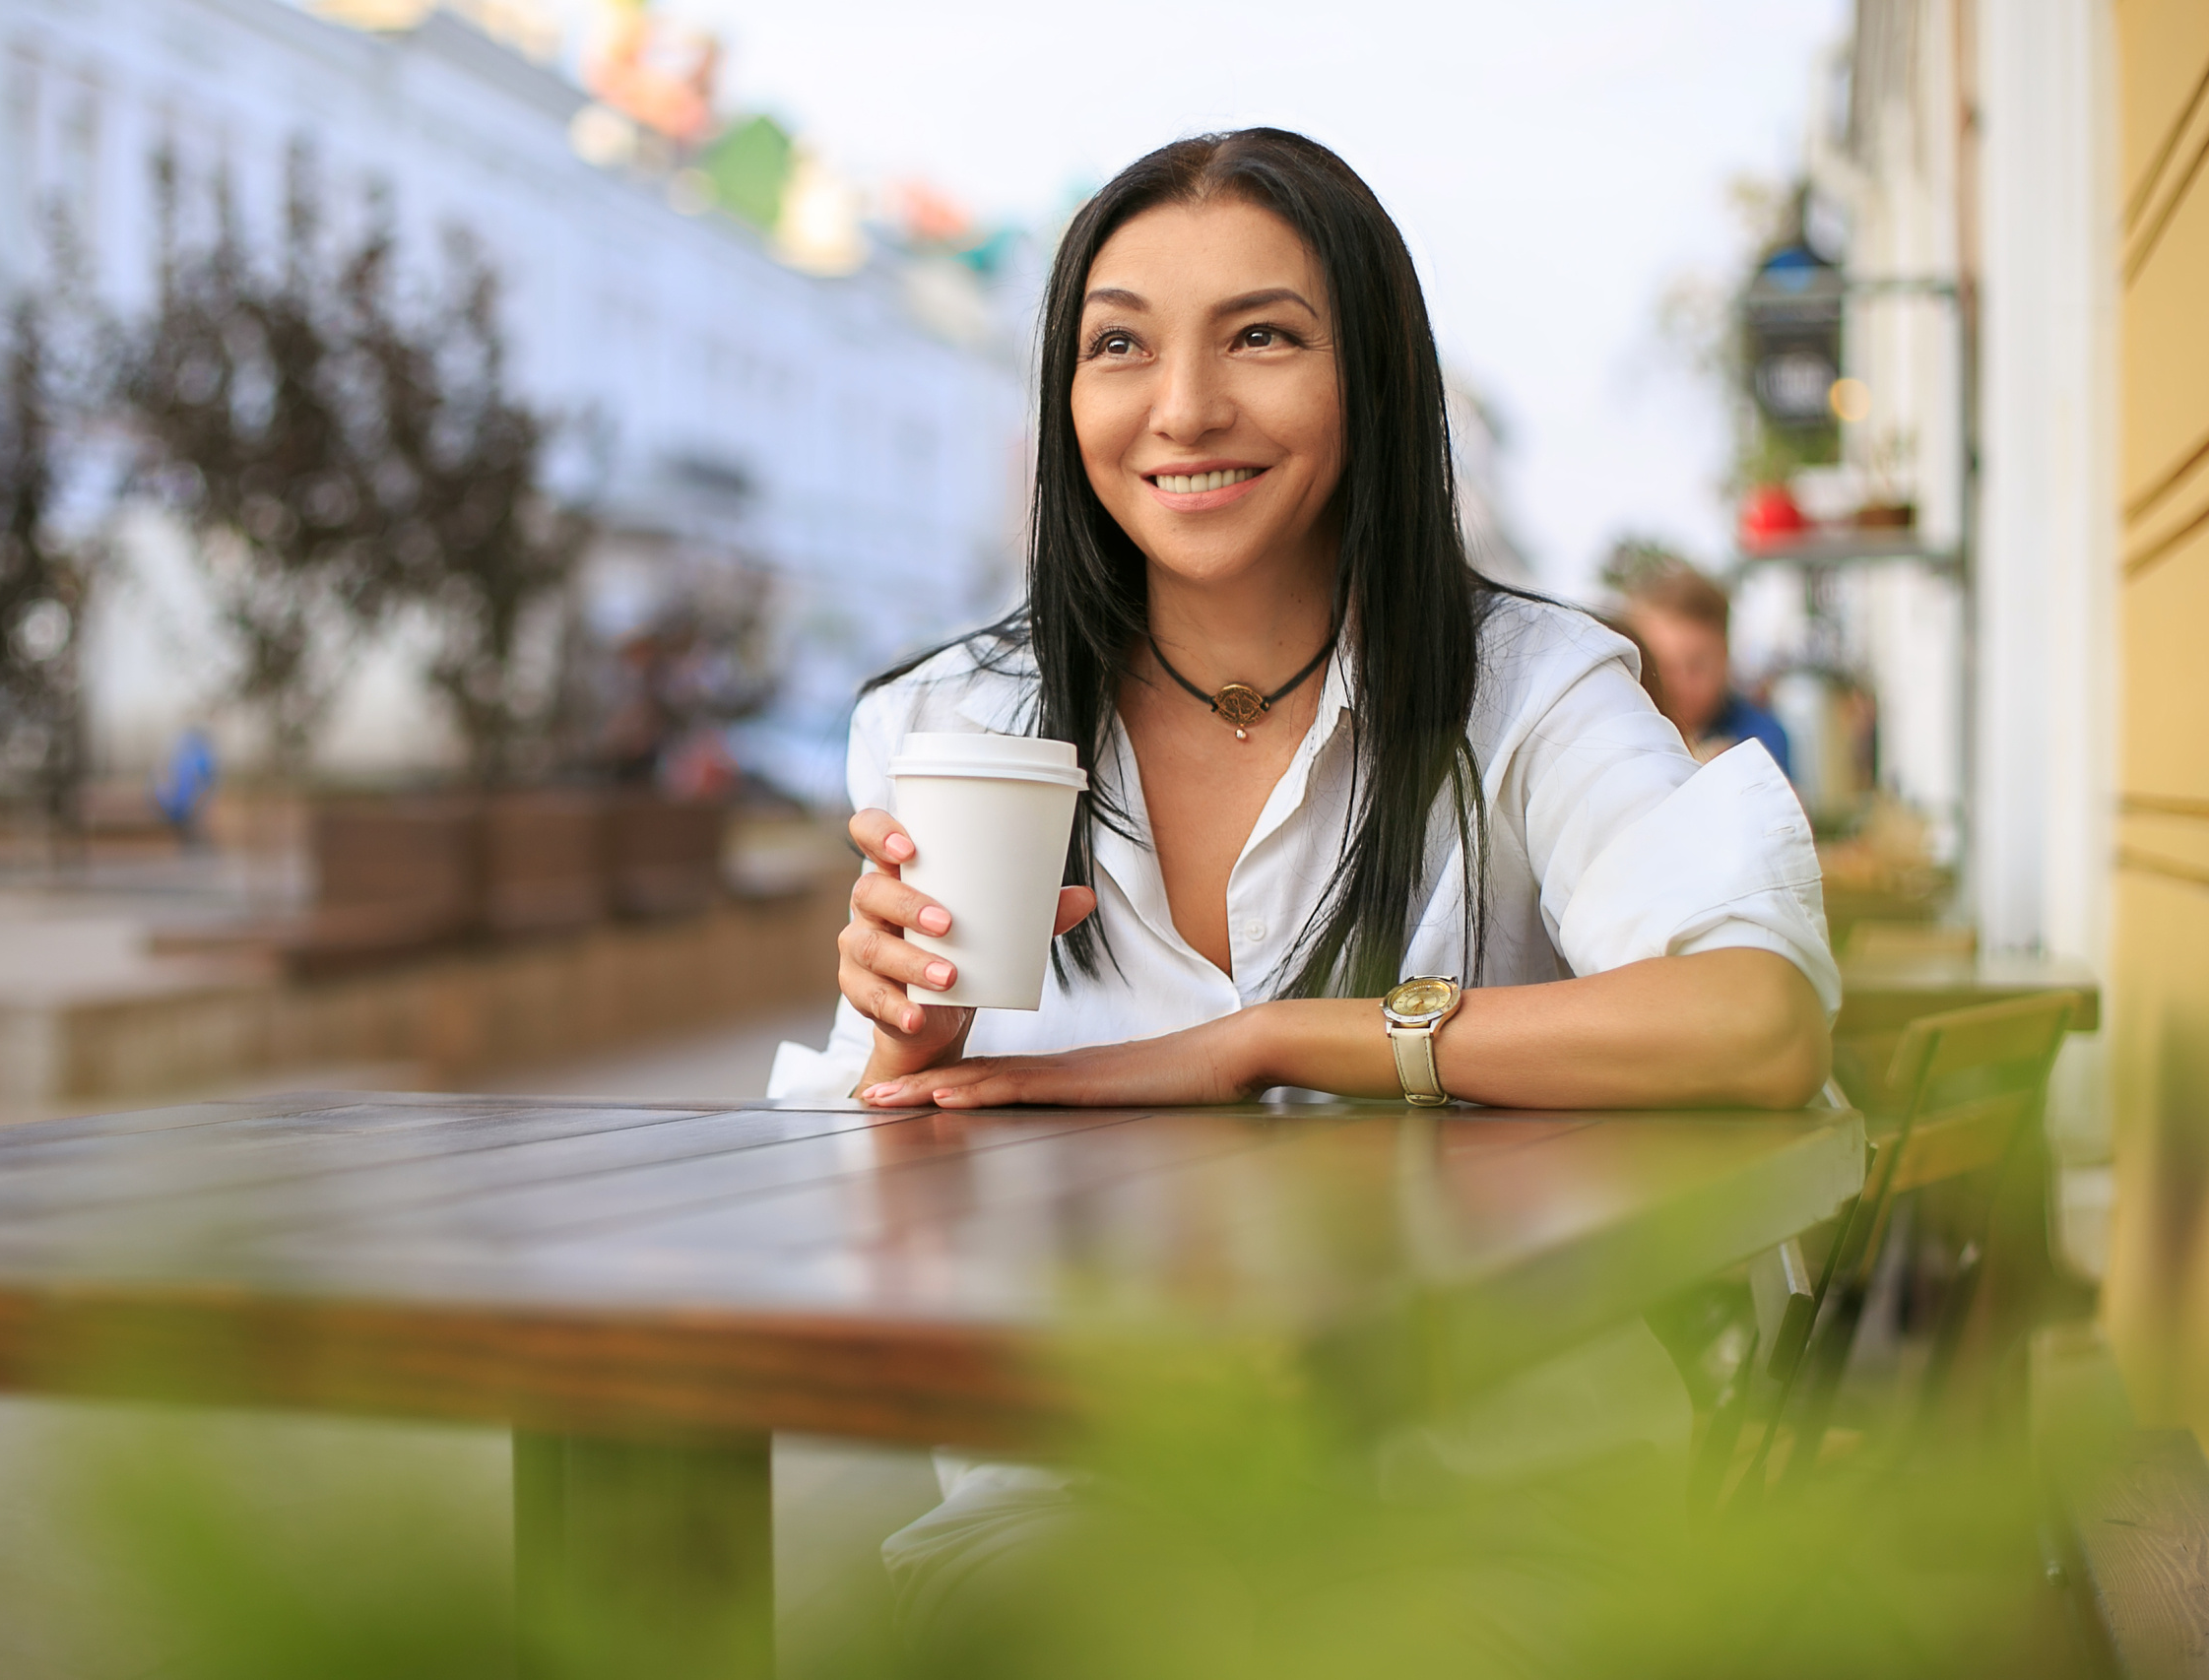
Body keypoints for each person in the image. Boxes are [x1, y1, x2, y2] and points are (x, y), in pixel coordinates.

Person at [762, 129, 1837, 1662]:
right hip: (1082, 1496)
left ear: (1373, 378)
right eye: (1120, 345)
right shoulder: (950, 723)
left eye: (1261, 336)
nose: (1184, 406)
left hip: (1503, 1498)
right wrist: (908, 1048)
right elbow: (867, 1227)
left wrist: (1265, 1042)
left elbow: (1755, 1023)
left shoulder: (1530, 689)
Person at [1620, 560, 1792, 778]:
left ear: (1725, 658)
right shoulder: (1622, 731)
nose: (1681, 683)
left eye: (1697, 666)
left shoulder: (1759, 737)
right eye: (1663, 667)